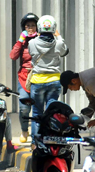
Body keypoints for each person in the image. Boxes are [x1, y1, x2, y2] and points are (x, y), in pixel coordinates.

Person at [27, 15, 68, 143]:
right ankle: (51, 140)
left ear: (38, 27)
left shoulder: (32, 43)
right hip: (54, 81)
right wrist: (59, 36)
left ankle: (36, 143)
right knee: (52, 113)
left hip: (38, 81)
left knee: (37, 113)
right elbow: (65, 52)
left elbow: (31, 54)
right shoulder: (58, 43)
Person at [10, 13, 40, 143]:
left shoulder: (40, 40)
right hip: (24, 76)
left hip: (38, 76)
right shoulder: (22, 42)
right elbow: (13, 56)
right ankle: (24, 130)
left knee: (38, 108)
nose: (31, 28)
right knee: (24, 107)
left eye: (33, 25)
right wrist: (20, 41)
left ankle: (36, 136)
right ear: (24, 27)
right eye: (28, 26)